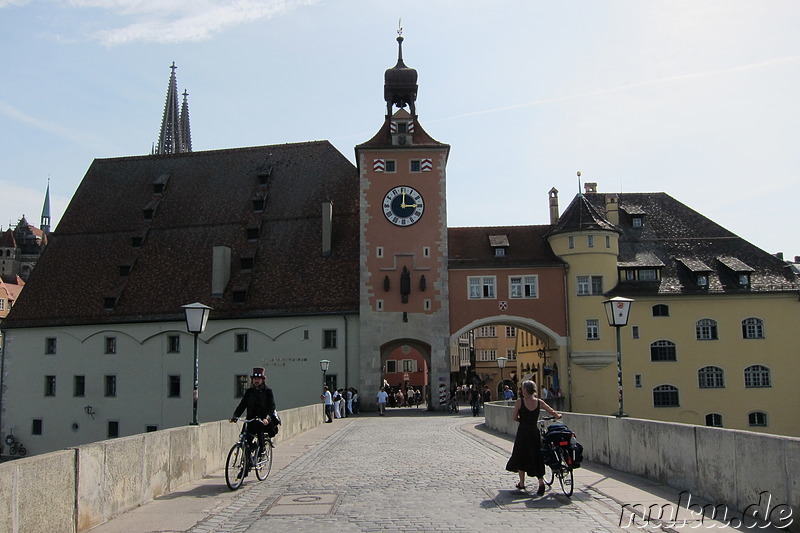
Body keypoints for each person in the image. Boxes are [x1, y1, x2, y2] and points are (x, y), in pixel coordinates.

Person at [505, 380, 561, 495]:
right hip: (534, 432)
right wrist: (557, 416)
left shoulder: (520, 402)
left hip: (523, 432)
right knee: (536, 455)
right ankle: (541, 482)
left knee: (520, 454)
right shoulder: (539, 402)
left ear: (525, 390)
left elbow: (514, 417)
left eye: (522, 388)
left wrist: (523, 420)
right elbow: (551, 411)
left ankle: (522, 483)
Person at [230, 367, 276, 472]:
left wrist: (267, 418)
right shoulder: (249, 392)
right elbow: (242, 405)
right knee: (244, 440)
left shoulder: (268, 391)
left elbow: (271, 407)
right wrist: (235, 416)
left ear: (263, 380)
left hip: (262, 421)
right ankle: (246, 465)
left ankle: (262, 451)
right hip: (250, 420)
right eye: (254, 378)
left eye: (258, 379)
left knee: (260, 433)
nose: (256, 381)